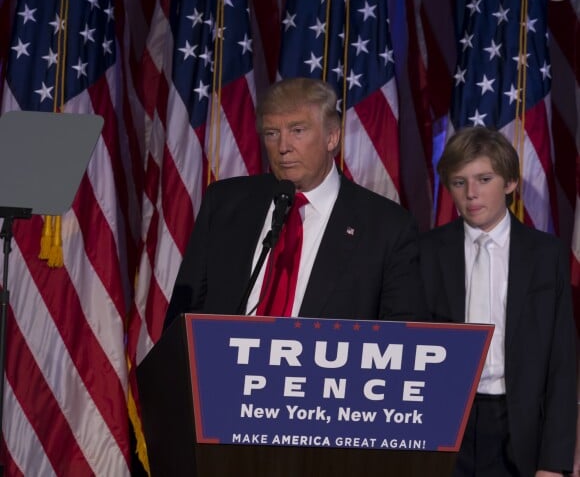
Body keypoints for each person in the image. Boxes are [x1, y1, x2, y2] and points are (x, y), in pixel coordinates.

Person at [164, 77, 427, 328]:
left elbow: (400, 342)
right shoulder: (224, 204)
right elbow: (183, 317)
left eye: (297, 130)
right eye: (271, 133)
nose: (282, 146)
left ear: (331, 137)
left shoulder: (387, 228)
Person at [419, 126, 576, 476]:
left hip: (517, 425)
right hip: (444, 423)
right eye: (460, 183)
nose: (471, 194)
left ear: (509, 183)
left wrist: (554, 463)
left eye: (484, 179)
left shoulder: (544, 254)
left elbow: (561, 363)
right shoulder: (425, 252)